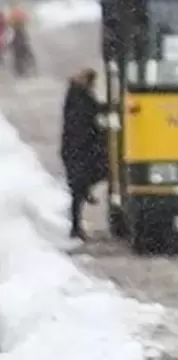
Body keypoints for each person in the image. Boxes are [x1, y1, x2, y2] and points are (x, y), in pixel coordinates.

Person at [59, 68, 108, 240]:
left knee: (80, 188)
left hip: (78, 149)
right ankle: (75, 227)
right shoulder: (79, 97)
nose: (93, 86)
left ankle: (77, 223)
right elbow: (87, 118)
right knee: (78, 190)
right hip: (77, 150)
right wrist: (101, 133)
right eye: (92, 82)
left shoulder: (76, 95)